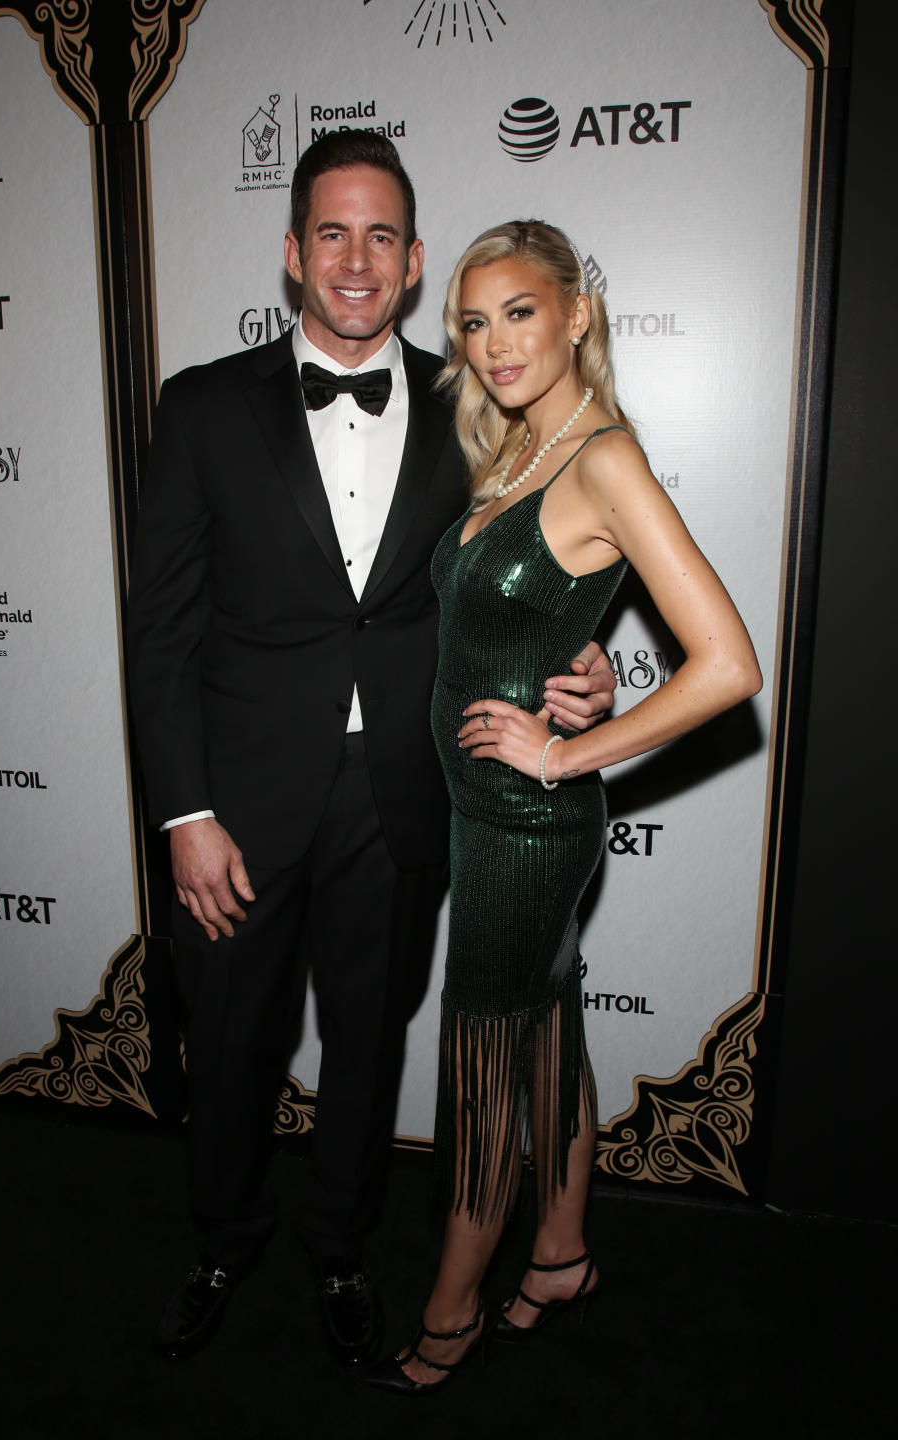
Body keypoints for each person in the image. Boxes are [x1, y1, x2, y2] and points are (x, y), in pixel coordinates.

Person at [126, 137, 618, 1367]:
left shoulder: (477, 407)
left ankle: (340, 1249)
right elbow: (161, 633)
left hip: (404, 797)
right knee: (231, 1040)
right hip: (236, 807)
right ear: (293, 252)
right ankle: (226, 1235)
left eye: (383, 236)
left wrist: (593, 674)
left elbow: (537, 576)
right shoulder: (201, 406)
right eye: (332, 233)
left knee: (367, 1042)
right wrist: (184, 812)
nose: (357, 259)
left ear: (408, 268)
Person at [362, 219, 762, 1394]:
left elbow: (728, 665)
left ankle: (451, 1314)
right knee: (548, 1032)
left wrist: (562, 759)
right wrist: (576, 675)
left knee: (483, 1061)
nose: (494, 344)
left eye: (520, 313)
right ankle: (560, 1255)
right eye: (474, 323)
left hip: (522, 829)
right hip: (489, 817)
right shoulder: (525, 451)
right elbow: (535, 621)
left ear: (578, 313)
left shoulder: (603, 459)